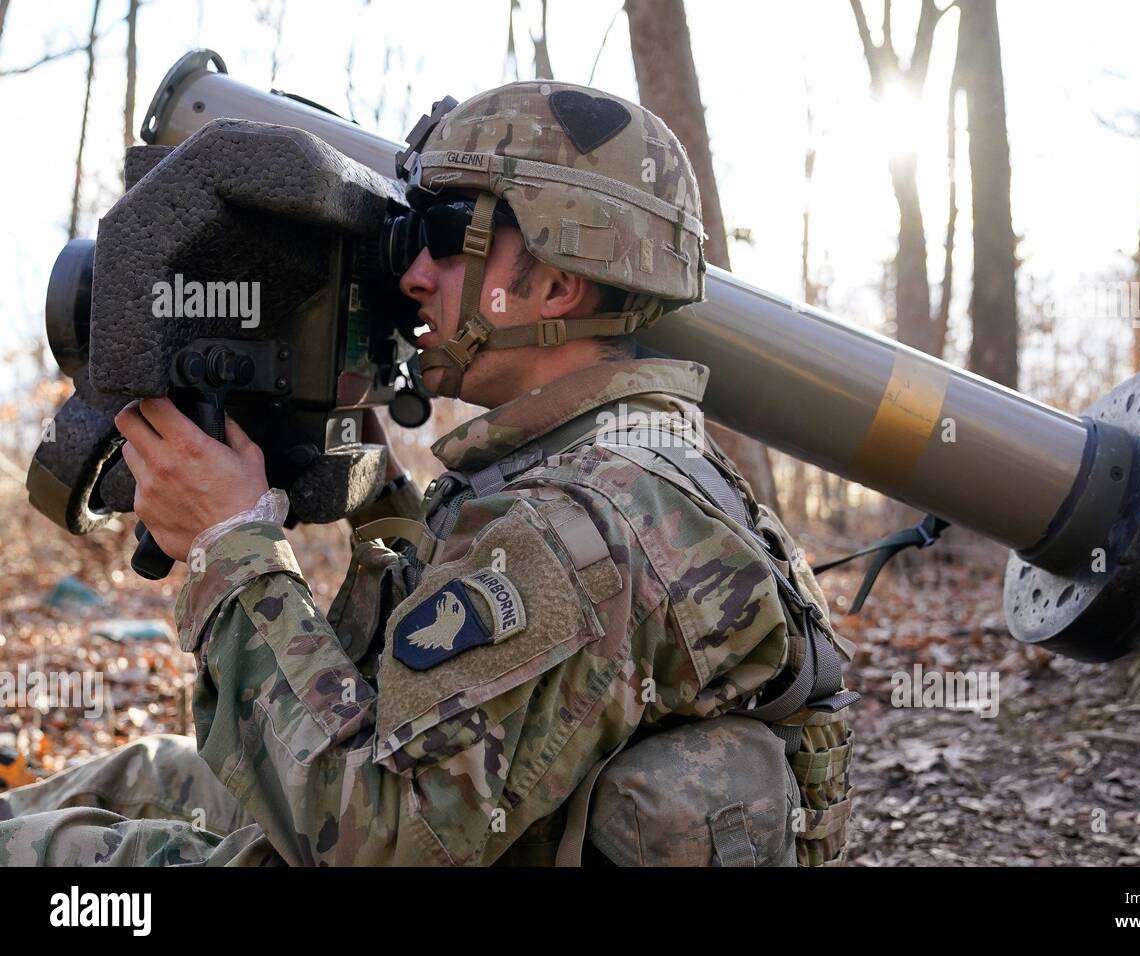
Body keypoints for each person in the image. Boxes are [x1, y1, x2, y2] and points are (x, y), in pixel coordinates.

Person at [0, 81, 854, 867]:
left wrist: (231, 546)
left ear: (555, 285)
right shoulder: (635, 457)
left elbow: (375, 834)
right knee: (138, 776)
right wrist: (380, 500)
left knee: (57, 858)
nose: (411, 274)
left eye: (447, 237)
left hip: (381, 836)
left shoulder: (584, 521)